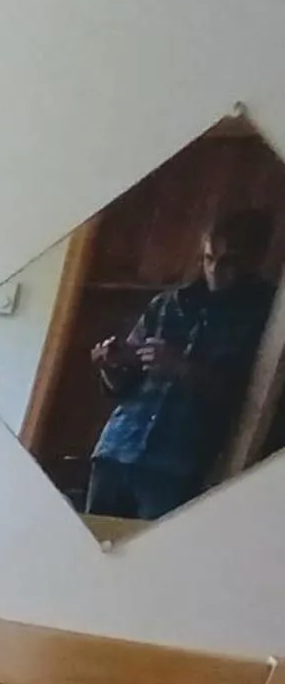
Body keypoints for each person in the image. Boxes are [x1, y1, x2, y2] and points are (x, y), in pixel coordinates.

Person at [86, 208, 278, 519]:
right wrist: (111, 365)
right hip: (117, 448)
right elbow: (122, 386)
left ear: (255, 259)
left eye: (229, 261)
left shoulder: (267, 317)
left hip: (177, 464)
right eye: (208, 258)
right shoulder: (166, 304)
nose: (215, 270)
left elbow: (248, 399)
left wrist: (182, 367)